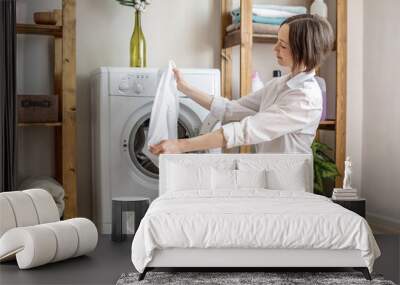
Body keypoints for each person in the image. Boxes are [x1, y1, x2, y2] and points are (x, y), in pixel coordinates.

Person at [149, 14, 334, 155]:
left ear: (304, 51)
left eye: (283, 45)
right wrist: (184, 87)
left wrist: (180, 145)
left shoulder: (305, 98)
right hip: (268, 176)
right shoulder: (278, 85)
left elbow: (245, 130)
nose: (275, 48)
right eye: (277, 41)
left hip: (288, 182)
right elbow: (231, 109)